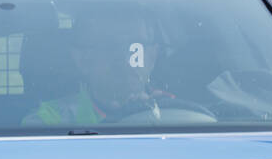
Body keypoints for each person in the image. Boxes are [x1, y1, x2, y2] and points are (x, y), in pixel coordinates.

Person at [22, 7, 168, 126]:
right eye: (111, 46)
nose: (124, 57)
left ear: (153, 55)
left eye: (136, 46)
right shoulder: (48, 122)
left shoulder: (175, 112)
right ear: (82, 59)